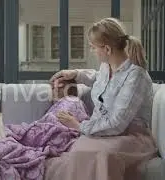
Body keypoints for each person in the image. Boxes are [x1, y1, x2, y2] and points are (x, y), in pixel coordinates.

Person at [45, 17, 157, 180]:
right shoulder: (107, 67)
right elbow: (99, 78)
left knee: (94, 154)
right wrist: (75, 74)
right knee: (80, 149)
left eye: (93, 47)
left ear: (107, 49)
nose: (92, 51)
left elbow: (117, 124)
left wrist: (79, 125)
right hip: (105, 133)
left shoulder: (136, 77)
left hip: (132, 136)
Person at [0, 81, 90, 179]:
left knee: (4, 139)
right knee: (4, 137)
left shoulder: (71, 101)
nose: (52, 90)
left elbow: (53, 125)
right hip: (44, 134)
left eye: (55, 87)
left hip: (52, 135)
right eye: (52, 87)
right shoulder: (63, 103)